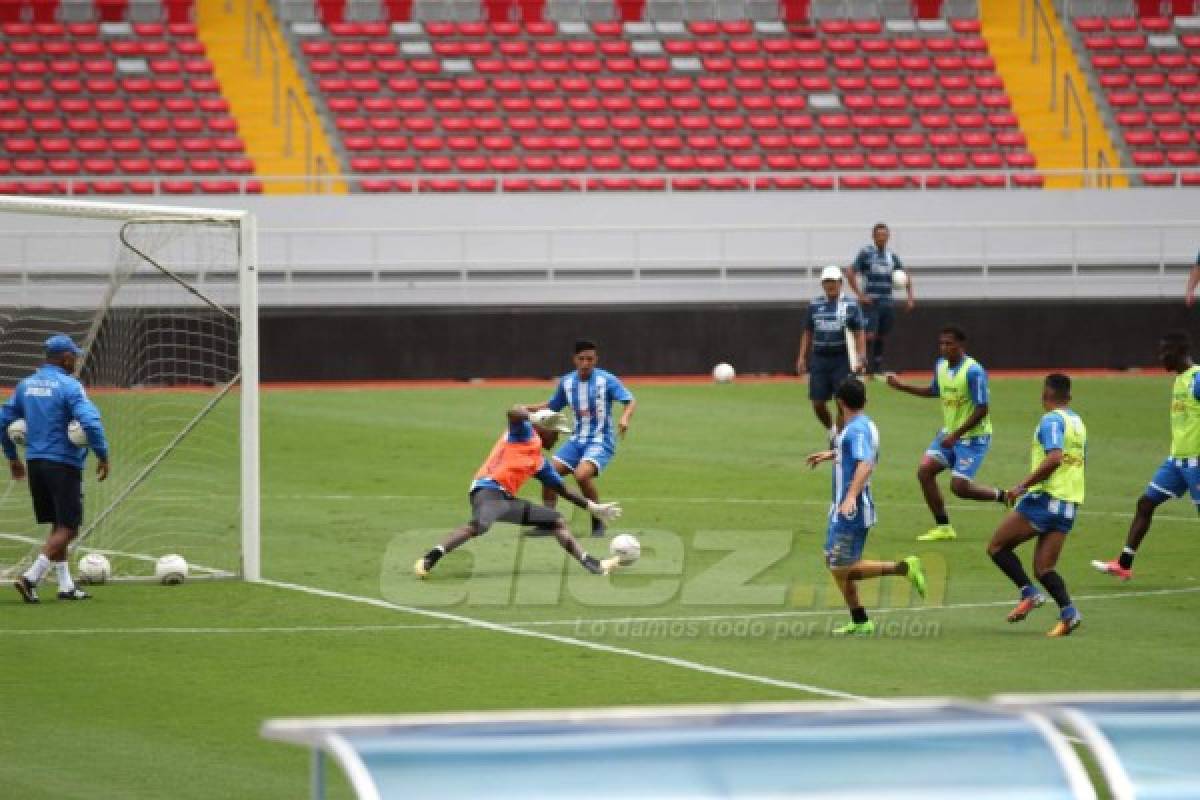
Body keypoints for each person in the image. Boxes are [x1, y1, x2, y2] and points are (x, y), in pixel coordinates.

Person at [414, 406, 622, 578]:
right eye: (556, 432)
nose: (558, 438)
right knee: (482, 524)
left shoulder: (539, 462)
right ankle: (429, 558)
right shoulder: (524, 433)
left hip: (505, 500)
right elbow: (512, 412)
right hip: (486, 489)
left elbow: (563, 489)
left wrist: (592, 507)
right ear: (543, 428)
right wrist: (532, 416)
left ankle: (592, 564)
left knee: (556, 520)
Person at [805, 378, 926, 636]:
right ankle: (860, 620)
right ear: (865, 401)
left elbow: (866, 463)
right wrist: (831, 454)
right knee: (835, 562)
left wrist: (850, 498)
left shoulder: (855, 430)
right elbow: (855, 453)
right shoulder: (864, 424)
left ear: (839, 402)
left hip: (852, 508)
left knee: (840, 567)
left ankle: (903, 568)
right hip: (846, 506)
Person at [1, 334, 110, 604]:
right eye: (74, 356)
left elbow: (2, 421)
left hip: (36, 463)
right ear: (65, 358)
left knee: (58, 524)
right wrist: (102, 454)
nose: (76, 360)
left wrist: (13, 458)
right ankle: (30, 577)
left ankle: (66, 585)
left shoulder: (26, 385)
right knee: (70, 528)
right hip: (63, 463)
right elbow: (92, 424)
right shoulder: (70, 386)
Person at [1093, 332, 1200, 580]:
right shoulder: (1180, 379)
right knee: (1145, 504)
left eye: (1165, 352)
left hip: (1196, 461)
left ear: (1180, 353)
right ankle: (1124, 563)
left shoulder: (1197, 379)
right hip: (1177, 461)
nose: (1160, 357)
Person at [886, 326, 1008, 541]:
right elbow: (934, 391)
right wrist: (902, 387)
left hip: (973, 438)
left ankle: (1005, 496)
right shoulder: (941, 365)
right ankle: (944, 528)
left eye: (949, 344)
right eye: (941, 343)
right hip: (950, 434)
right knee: (924, 471)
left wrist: (957, 434)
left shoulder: (973, 371)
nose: (944, 348)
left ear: (961, 345)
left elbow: (982, 409)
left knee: (959, 488)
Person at [986, 374, 1085, 638]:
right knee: (1044, 568)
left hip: (1046, 499)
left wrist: (1022, 486)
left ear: (1045, 395)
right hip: (1070, 503)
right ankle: (1069, 613)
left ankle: (1028, 593)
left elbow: (1054, 458)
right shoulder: (1076, 421)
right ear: (1069, 397)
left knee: (997, 547)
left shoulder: (1051, 420)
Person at [526, 339, 635, 538]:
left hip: (600, 441)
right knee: (547, 473)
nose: (586, 363)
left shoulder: (606, 380)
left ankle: (598, 521)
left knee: (581, 475)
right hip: (577, 440)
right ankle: (547, 522)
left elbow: (629, 400)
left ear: (596, 360)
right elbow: (552, 405)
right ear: (574, 360)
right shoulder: (567, 382)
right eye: (582, 359)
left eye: (590, 359)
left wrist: (625, 417)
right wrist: (528, 409)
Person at [795, 266, 866, 445]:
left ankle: (840, 439)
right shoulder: (814, 305)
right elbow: (808, 332)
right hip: (819, 358)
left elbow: (859, 332)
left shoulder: (851, 305)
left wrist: (861, 356)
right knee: (817, 403)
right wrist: (802, 357)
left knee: (842, 402)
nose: (830, 285)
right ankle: (832, 429)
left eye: (833, 281)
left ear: (840, 283)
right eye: (826, 281)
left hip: (841, 359)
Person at [845, 222, 915, 376]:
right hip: (871, 303)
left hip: (887, 302)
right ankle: (861, 365)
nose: (882, 238)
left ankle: (876, 368)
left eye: (884, 235)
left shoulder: (891, 256)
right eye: (879, 235)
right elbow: (850, 271)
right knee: (868, 335)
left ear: (888, 237)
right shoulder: (866, 253)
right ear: (873, 237)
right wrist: (860, 295)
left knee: (881, 335)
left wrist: (910, 298)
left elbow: (905, 275)